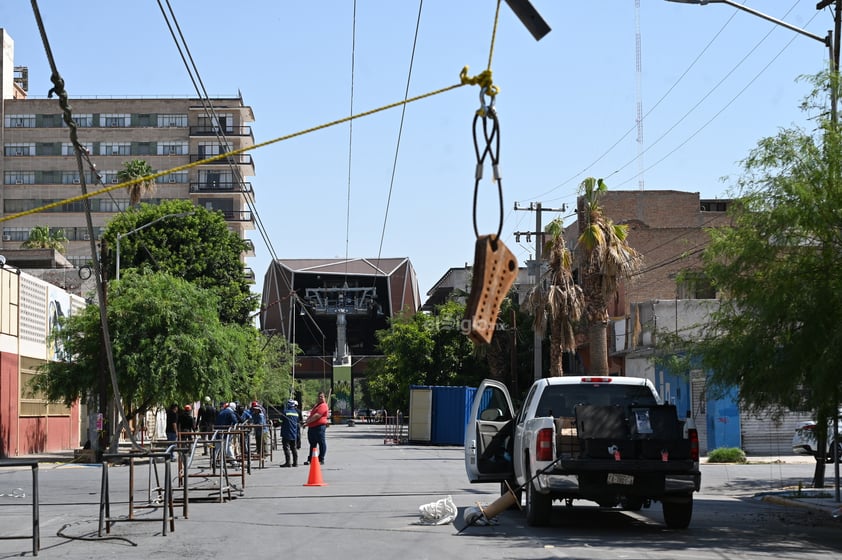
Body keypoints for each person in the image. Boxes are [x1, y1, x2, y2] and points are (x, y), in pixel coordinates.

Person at [303, 392, 329, 465]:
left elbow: (317, 416)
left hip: (319, 427)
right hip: (312, 427)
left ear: (325, 398)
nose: (320, 398)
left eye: (322, 397)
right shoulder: (317, 405)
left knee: (321, 443)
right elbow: (312, 415)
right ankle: (311, 459)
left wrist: (308, 421)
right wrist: (306, 423)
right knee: (312, 444)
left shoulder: (323, 406)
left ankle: (321, 459)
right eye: (319, 396)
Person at [279, 399, 300, 467]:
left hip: (286, 433)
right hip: (294, 433)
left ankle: (288, 462)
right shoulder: (296, 413)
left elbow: (280, 421)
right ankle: (295, 463)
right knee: (293, 448)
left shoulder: (285, 412)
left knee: (286, 448)